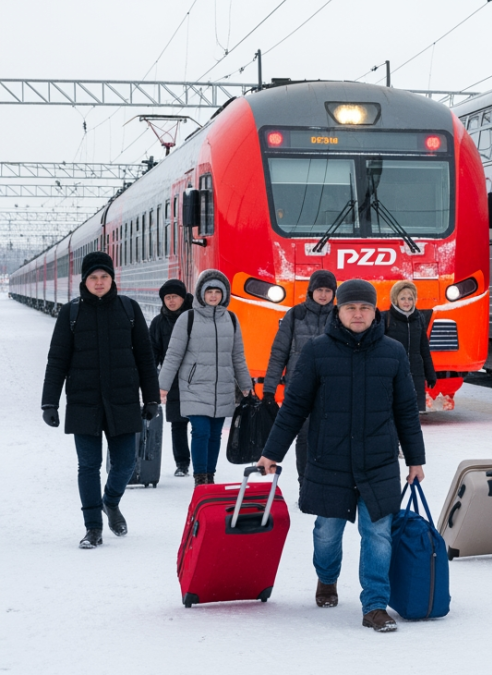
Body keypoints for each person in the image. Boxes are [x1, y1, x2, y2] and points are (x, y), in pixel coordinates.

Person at [256, 279, 426, 632]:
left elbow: (406, 411)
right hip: (329, 460)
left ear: (375, 312)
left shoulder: (392, 352)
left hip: (378, 461)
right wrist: (271, 452)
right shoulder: (317, 351)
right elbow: (295, 407)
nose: (358, 314)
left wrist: (415, 459)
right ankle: (327, 576)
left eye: (365, 308)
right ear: (339, 310)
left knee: (378, 534)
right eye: (351, 308)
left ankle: (375, 605)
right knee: (326, 533)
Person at [41, 251, 160, 549]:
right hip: (84, 402)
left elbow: (145, 359)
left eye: (104, 276)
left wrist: (151, 398)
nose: (99, 282)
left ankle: (111, 501)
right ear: (84, 280)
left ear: (112, 278)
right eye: (93, 277)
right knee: (88, 465)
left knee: (125, 463)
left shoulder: (129, 309)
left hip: (122, 400)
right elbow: (57, 361)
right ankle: (93, 528)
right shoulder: (71, 313)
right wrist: (49, 402)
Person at [156, 270, 253, 486]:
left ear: (224, 294)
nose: (213, 295)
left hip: (222, 387)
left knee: (215, 434)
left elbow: (237, 356)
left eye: (218, 292)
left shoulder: (231, 319)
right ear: (201, 293)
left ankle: (210, 476)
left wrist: (246, 386)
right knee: (201, 431)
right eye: (209, 291)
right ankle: (200, 477)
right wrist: (163, 386)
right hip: (195, 387)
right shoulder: (188, 318)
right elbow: (173, 354)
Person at [263, 269, 335, 480]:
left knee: (329, 437)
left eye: (328, 290)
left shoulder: (339, 316)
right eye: (319, 290)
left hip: (332, 388)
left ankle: (325, 481)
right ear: (311, 291)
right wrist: (269, 389)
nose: (323, 295)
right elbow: (279, 353)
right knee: (303, 436)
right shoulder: (295, 315)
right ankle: (305, 482)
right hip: (299, 387)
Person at [149, 279, 193, 477]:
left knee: (200, 425)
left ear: (183, 298)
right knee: (178, 423)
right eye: (167, 298)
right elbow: (153, 352)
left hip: (196, 378)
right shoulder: (159, 323)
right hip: (173, 380)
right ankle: (182, 463)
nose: (171, 301)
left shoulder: (195, 318)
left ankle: (203, 464)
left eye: (175, 297)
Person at [380, 280, 437, 413]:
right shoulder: (386, 318)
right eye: (403, 298)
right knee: (393, 410)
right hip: (393, 372)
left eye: (410, 298)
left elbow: (424, 348)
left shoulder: (418, 319)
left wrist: (430, 373)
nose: (407, 302)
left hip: (415, 373)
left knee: (414, 412)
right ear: (395, 299)